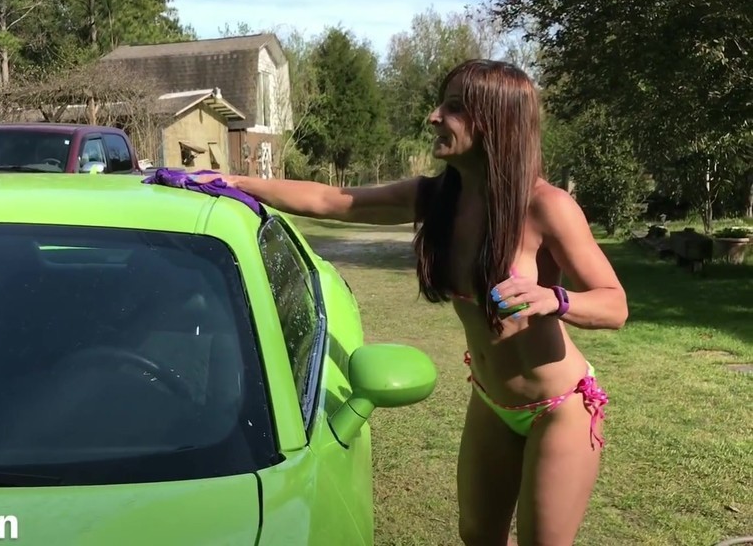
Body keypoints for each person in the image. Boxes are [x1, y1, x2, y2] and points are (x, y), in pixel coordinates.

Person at [195, 59, 628, 546]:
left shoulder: (547, 206)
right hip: (491, 399)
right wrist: (235, 184)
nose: (433, 116)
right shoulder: (437, 197)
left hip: (559, 407)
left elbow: (614, 305)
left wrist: (554, 298)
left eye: (453, 108)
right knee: (478, 535)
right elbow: (333, 200)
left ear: (497, 121)